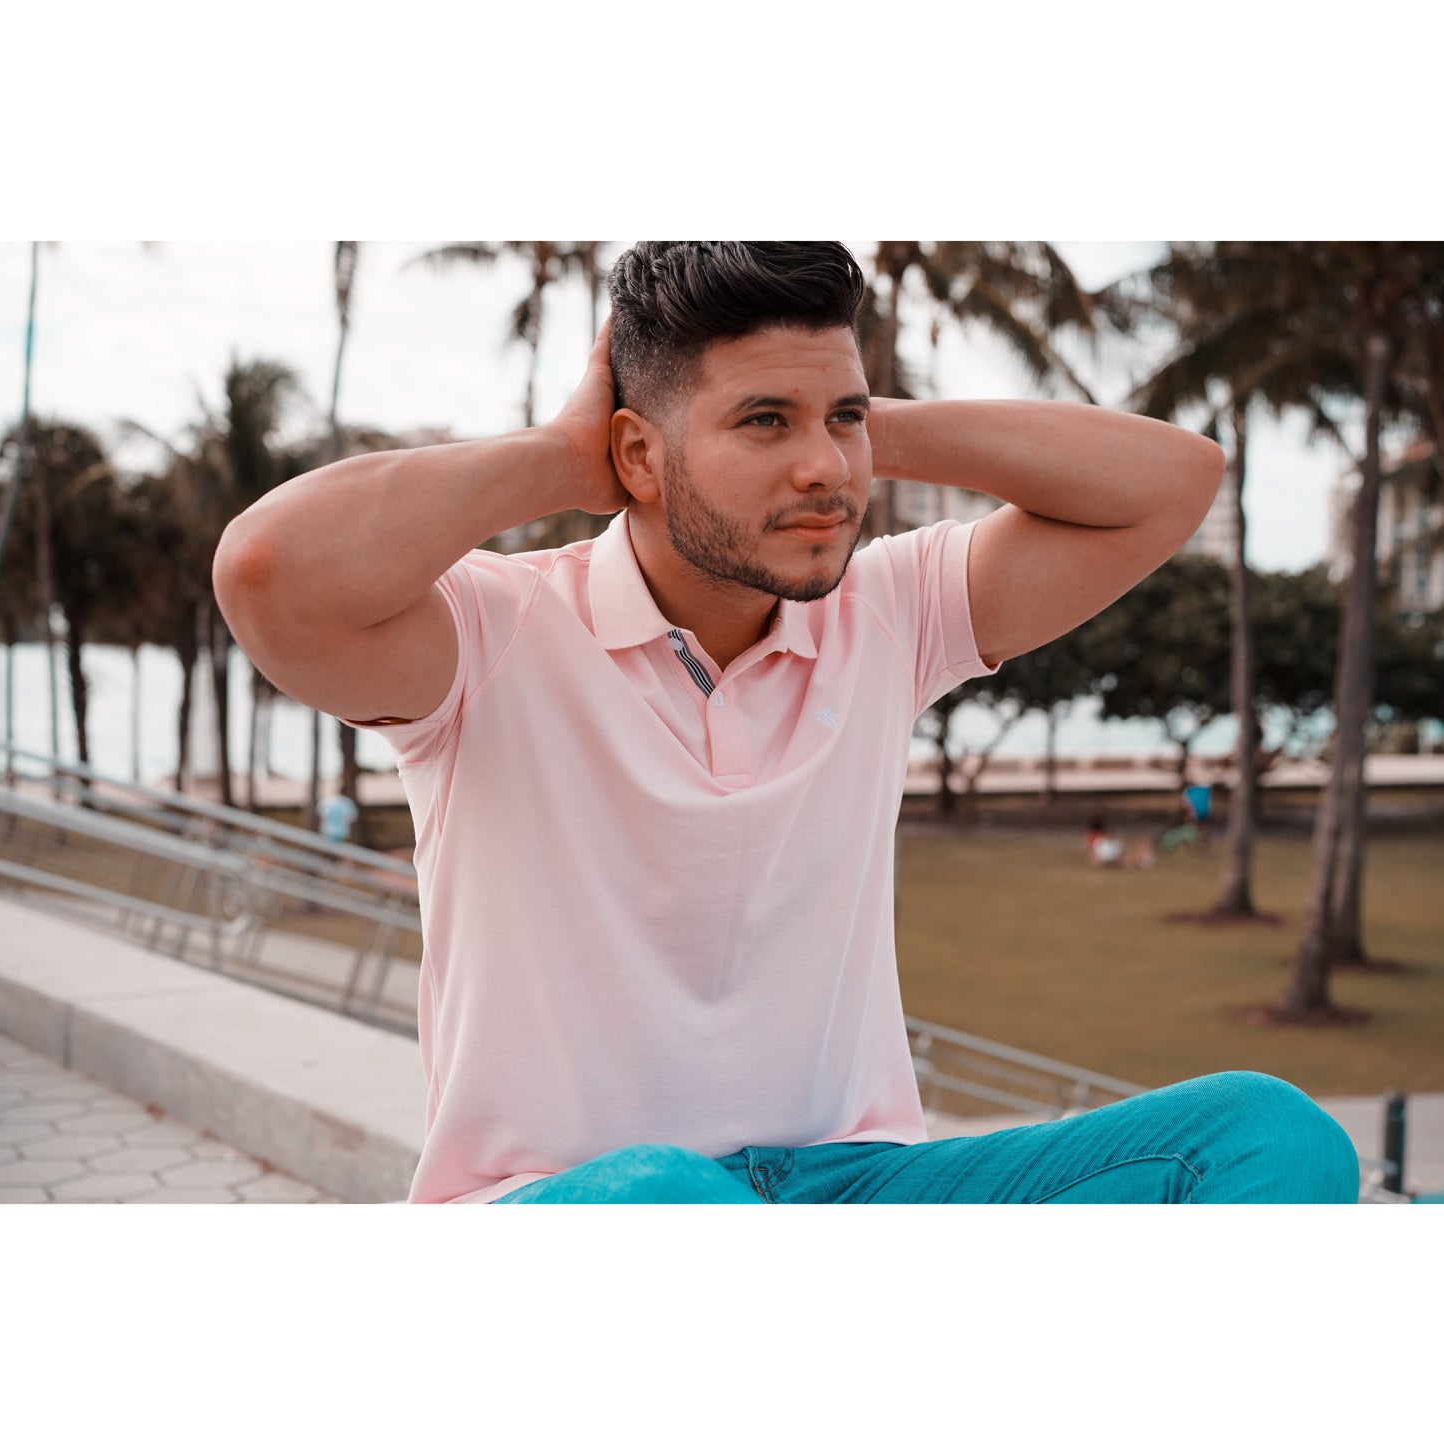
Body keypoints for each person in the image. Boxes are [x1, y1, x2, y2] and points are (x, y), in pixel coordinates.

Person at [213, 242, 1358, 1205]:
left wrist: (844, 422)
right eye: (761, 420)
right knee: (666, 1194)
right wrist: (562, 456)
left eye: (839, 419)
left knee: (1264, 1133)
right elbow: (268, 570)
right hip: (584, 1205)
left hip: (853, 1185)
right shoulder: (490, 633)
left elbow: (1170, 481)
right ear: (636, 453)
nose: (822, 469)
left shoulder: (889, 611)